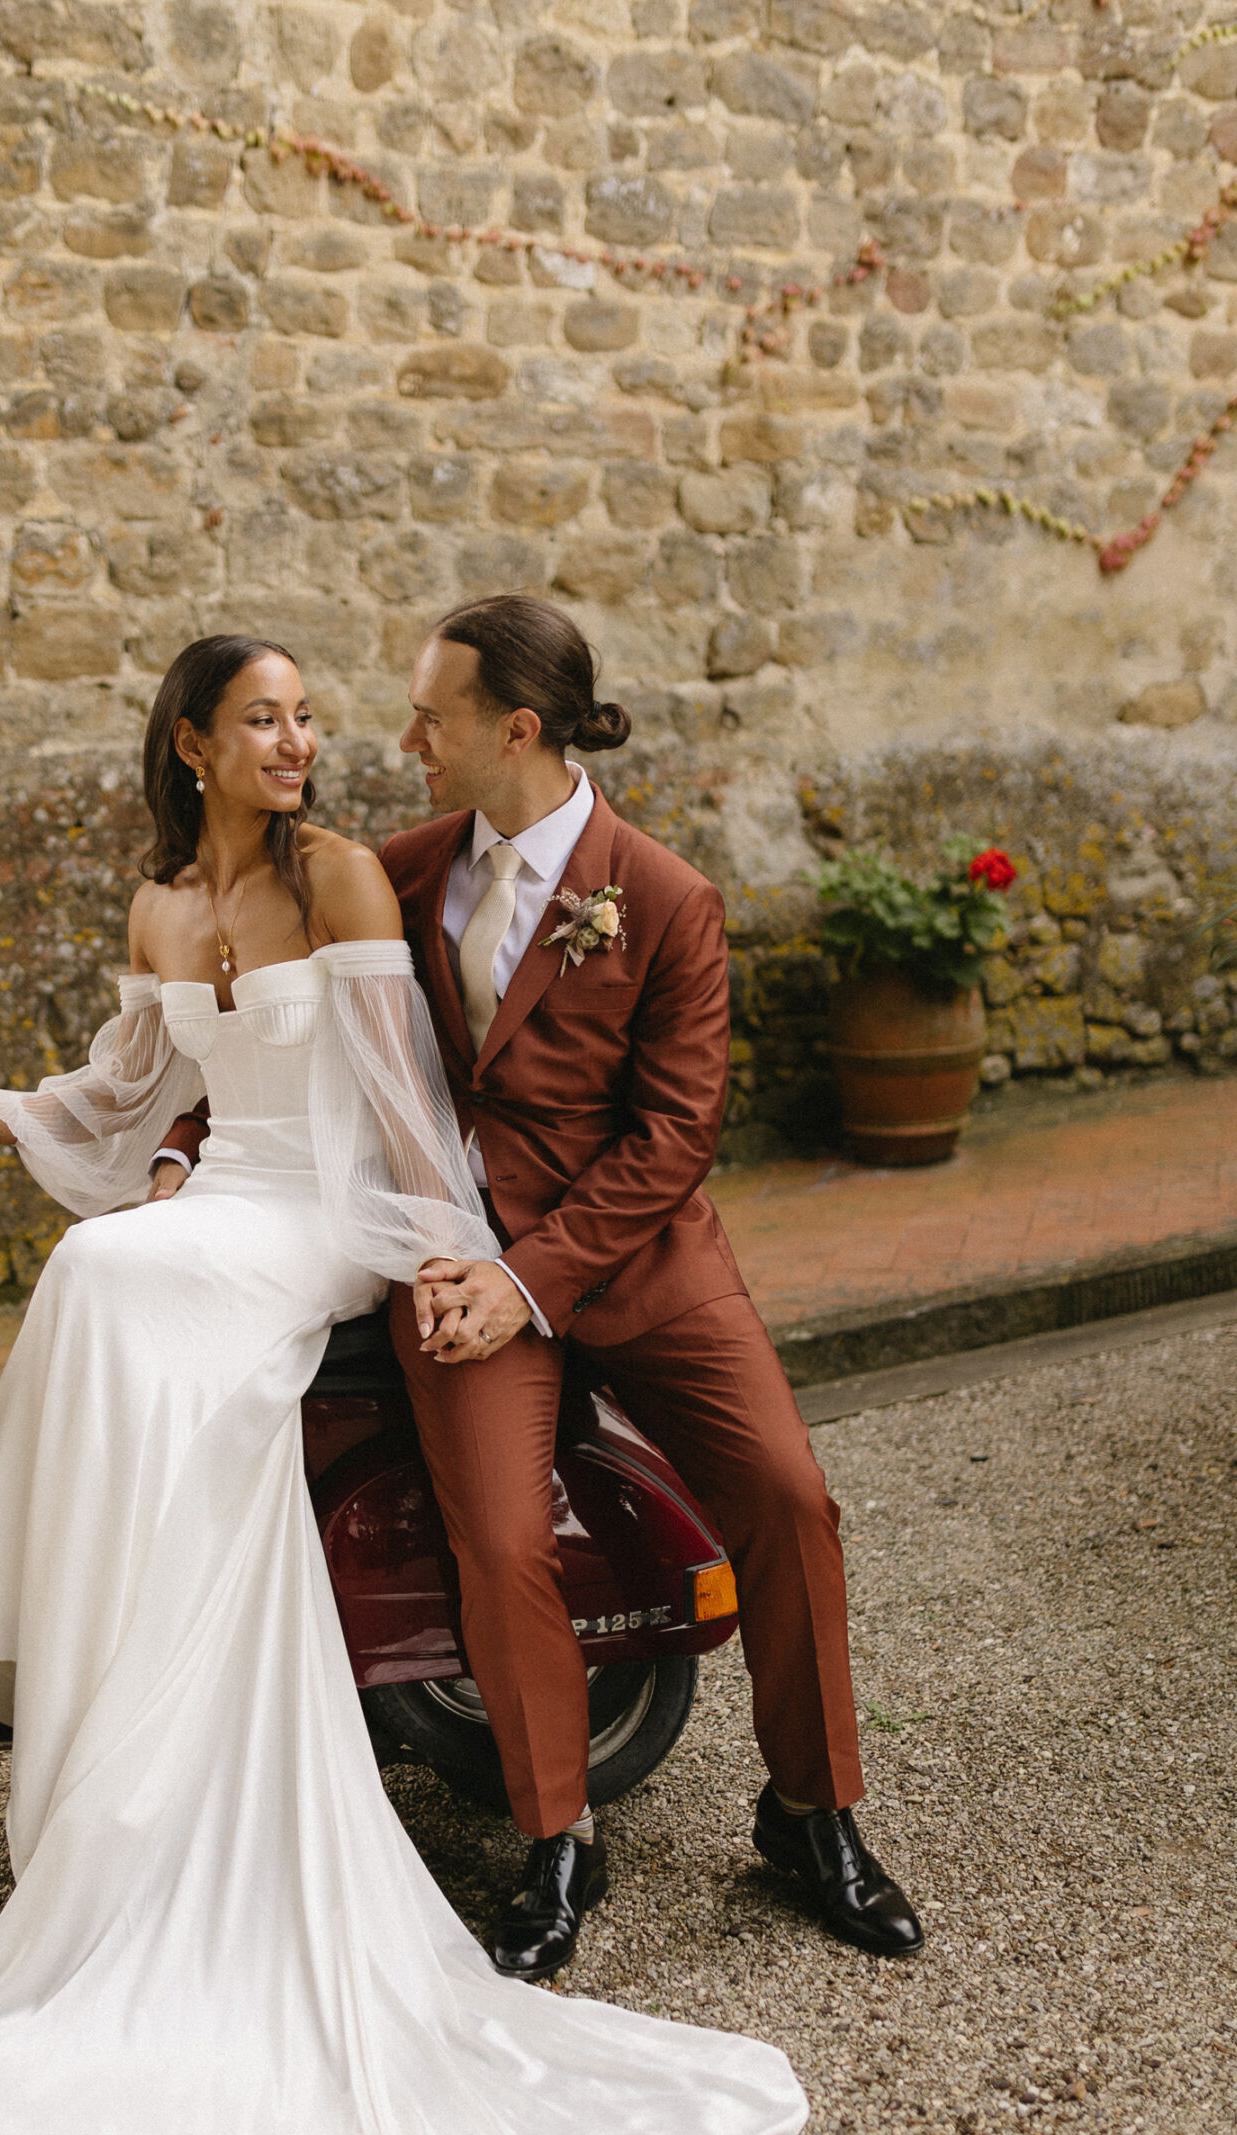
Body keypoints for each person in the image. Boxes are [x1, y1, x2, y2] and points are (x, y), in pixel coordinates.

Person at [0, 631, 805, 2135]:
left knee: (125, 1292)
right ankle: (98, 1685)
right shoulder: (159, 909)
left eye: (313, 717)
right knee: (95, 1274)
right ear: (194, 744)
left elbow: (402, 1110)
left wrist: (460, 1263)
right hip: (218, 1197)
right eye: (269, 720)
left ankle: (71, 1679)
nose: (307, 740)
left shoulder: (352, 871)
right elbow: (125, 1095)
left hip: (316, 1221)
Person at [167, 596, 922, 1985]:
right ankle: (557, 1839)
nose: (401, 740)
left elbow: (674, 1139)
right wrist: (180, 1146)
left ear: (511, 729)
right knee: (503, 1545)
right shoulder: (388, 872)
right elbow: (260, 1029)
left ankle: (814, 1816)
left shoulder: (671, 898)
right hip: (449, 1265)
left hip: (641, 1266)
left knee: (790, 1494)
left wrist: (536, 1279)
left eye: (427, 718)